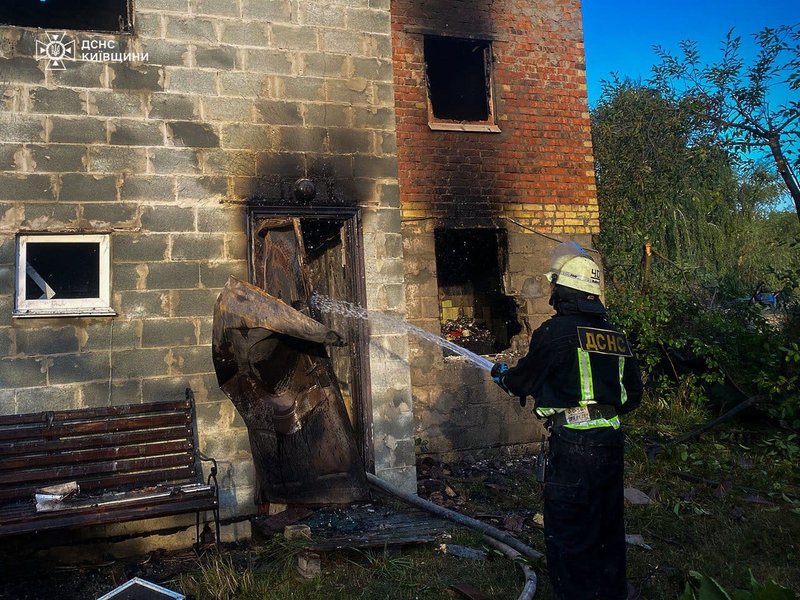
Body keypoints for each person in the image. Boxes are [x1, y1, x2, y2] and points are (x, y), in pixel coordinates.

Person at [491, 241, 643, 600]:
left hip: (574, 445)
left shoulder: (554, 333)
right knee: (606, 522)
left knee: (568, 525)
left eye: (555, 285)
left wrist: (503, 376)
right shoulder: (614, 336)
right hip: (610, 442)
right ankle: (612, 592)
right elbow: (633, 395)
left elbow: (523, 381)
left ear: (565, 290)